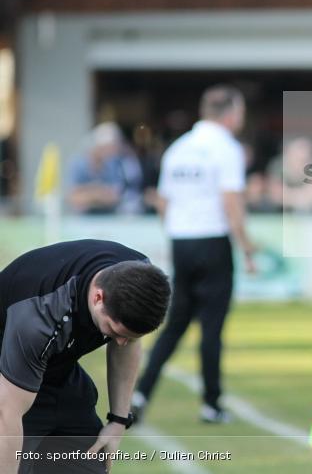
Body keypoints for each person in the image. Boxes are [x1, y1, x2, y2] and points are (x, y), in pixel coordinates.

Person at [131, 85, 256, 425]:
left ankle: (140, 394)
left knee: (174, 325)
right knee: (211, 328)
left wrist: (175, 234)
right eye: (240, 111)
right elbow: (231, 202)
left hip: (181, 242)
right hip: (212, 241)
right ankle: (211, 404)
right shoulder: (226, 148)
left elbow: (164, 202)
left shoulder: (179, 148)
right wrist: (245, 246)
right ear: (230, 113)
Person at [0, 239, 170, 474]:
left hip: (58, 373)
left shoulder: (138, 276)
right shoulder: (39, 315)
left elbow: (127, 343)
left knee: (90, 464)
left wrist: (118, 422)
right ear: (98, 298)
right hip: (8, 379)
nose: (121, 342)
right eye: (114, 331)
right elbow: (6, 414)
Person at [67, 123, 144, 215]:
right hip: (83, 218)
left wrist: (88, 192)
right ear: (98, 146)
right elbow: (73, 198)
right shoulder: (78, 164)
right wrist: (98, 193)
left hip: (109, 216)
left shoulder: (113, 163)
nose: (112, 151)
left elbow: (115, 196)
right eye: (109, 148)